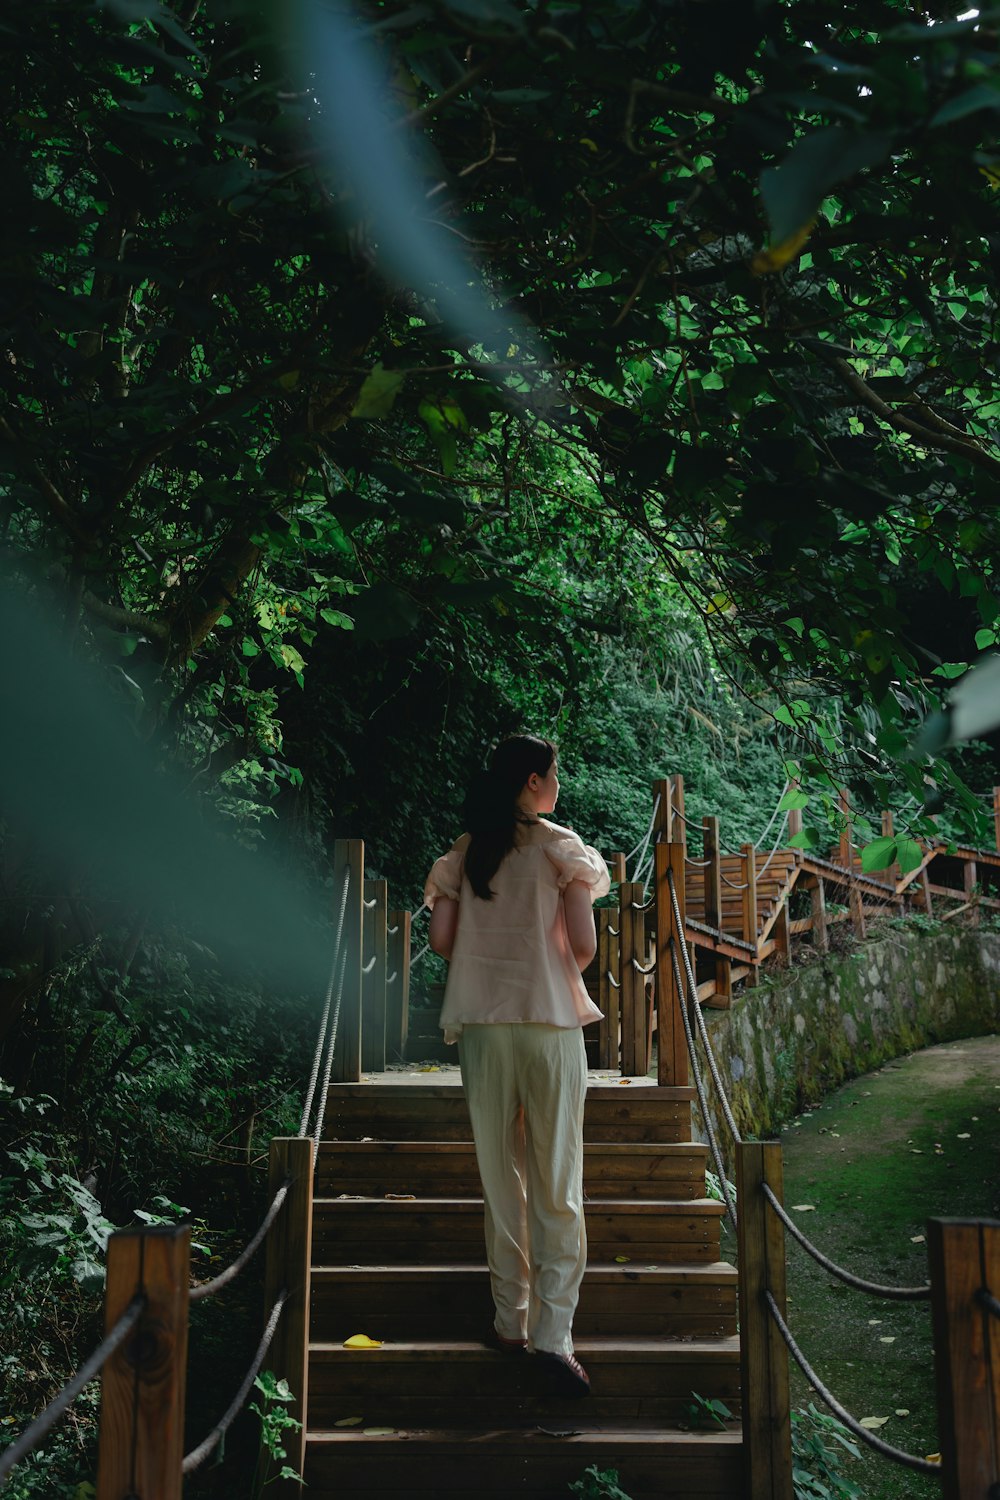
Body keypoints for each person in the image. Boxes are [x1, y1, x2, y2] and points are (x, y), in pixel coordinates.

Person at [424, 734, 610, 1398]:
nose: (558, 786)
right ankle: (553, 1338)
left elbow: (443, 941)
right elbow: (583, 949)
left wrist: (489, 956)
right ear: (535, 782)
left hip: (482, 1025)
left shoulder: (465, 851)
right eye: (555, 776)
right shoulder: (562, 849)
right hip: (550, 1023)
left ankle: (509, 1319)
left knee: (500, 1177)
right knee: (557, 1177)